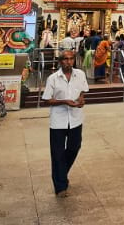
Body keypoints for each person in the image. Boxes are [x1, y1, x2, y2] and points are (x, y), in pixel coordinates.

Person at [41, 50, 89, 197]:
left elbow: (83, 91)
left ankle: (61, 173)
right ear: (60, 61)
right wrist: (64, 101)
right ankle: (61, 186)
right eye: (65, 59)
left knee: (74, 147)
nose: (69, 62)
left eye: (71, 59)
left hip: (75, 119)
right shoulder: (53, 79)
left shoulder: (80, 74)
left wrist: (81, 99)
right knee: (57, 153)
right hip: (58, 121)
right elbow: (46, 100)